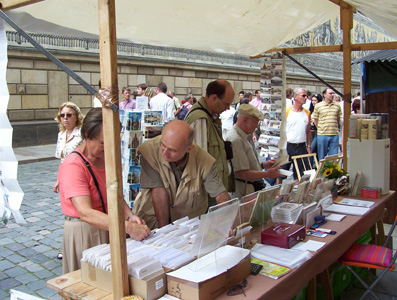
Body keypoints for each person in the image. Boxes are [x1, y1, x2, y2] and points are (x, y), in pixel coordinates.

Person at [58, 108, 150, 273]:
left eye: (113, 142)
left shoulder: (107, 159)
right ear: (87, 135)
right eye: (103, 143)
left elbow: (114, 195)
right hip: (85, 231)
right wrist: (127, 227)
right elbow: (85, 212)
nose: (108, 148)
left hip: (110, 225)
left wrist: (129, 215)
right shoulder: (73, 164)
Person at [133, 120, 230, 229]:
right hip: (153, 220)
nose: (165, 153)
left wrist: (226, 223)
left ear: (189, 149)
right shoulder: (149, 151)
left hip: (188, 225)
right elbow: (159, 192)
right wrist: (164, 231)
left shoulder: (204, 160)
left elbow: (220, 194)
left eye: (172, 150)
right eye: (163, 145)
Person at [184, 80, 235, 205]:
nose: (228, 108)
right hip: (208, 197)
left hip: (213, 194)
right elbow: (200, 163)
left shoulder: (208, 117)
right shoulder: (200, 119)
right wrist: (218, 193)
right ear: (213, 98)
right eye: (226, 104)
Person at [226, 104, 283, 198]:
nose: (256, 127)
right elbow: (241, 172)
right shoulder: (236, 139)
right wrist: (267, 174)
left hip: (249, 188)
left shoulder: (244, 135)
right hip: (244, 190)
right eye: (255, 123)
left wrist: (263, 165)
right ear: (245, 120)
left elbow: (245, 164)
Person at [280, 88, 311, 181]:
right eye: (303, 95)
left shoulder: (307, 112)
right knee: (281, 172)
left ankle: (297, 192)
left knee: (300, 173)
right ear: (295, 97)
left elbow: (308, 131)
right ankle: (277, 193)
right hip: (288, 146)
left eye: (306, 96)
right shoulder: (287, 111)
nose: (306, 98)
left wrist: (308, 146)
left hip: (301, 146)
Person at [53, 102, 84, 193]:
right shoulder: (61, 135)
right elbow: (61, 160)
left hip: (78, 176)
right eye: (62, 115)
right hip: (65, 178)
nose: (65, 117)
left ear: (77, 117)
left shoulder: (82, 134)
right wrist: (58, 179)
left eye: (69, 115)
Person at [312, 88, 342, 160]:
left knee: (333, 157)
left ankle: (332, 170)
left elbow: (338, 118)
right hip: (322, 134)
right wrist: (320, 128)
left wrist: (335, 126)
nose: (332, 95)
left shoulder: (337, 105)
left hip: (334, 134)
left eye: (333, 93)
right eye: (330, 93)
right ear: (324, 95)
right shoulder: (318, 106)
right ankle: (322, 170)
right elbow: (315, 119)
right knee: (322, 157)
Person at [309, 93, 323, 158]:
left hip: (317, 132)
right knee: (313, 150)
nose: (313, 102)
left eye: (315, 100)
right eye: (312, 100)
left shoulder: (320, 109)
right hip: (311, 132)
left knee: (311, 149)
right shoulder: (311, 109)